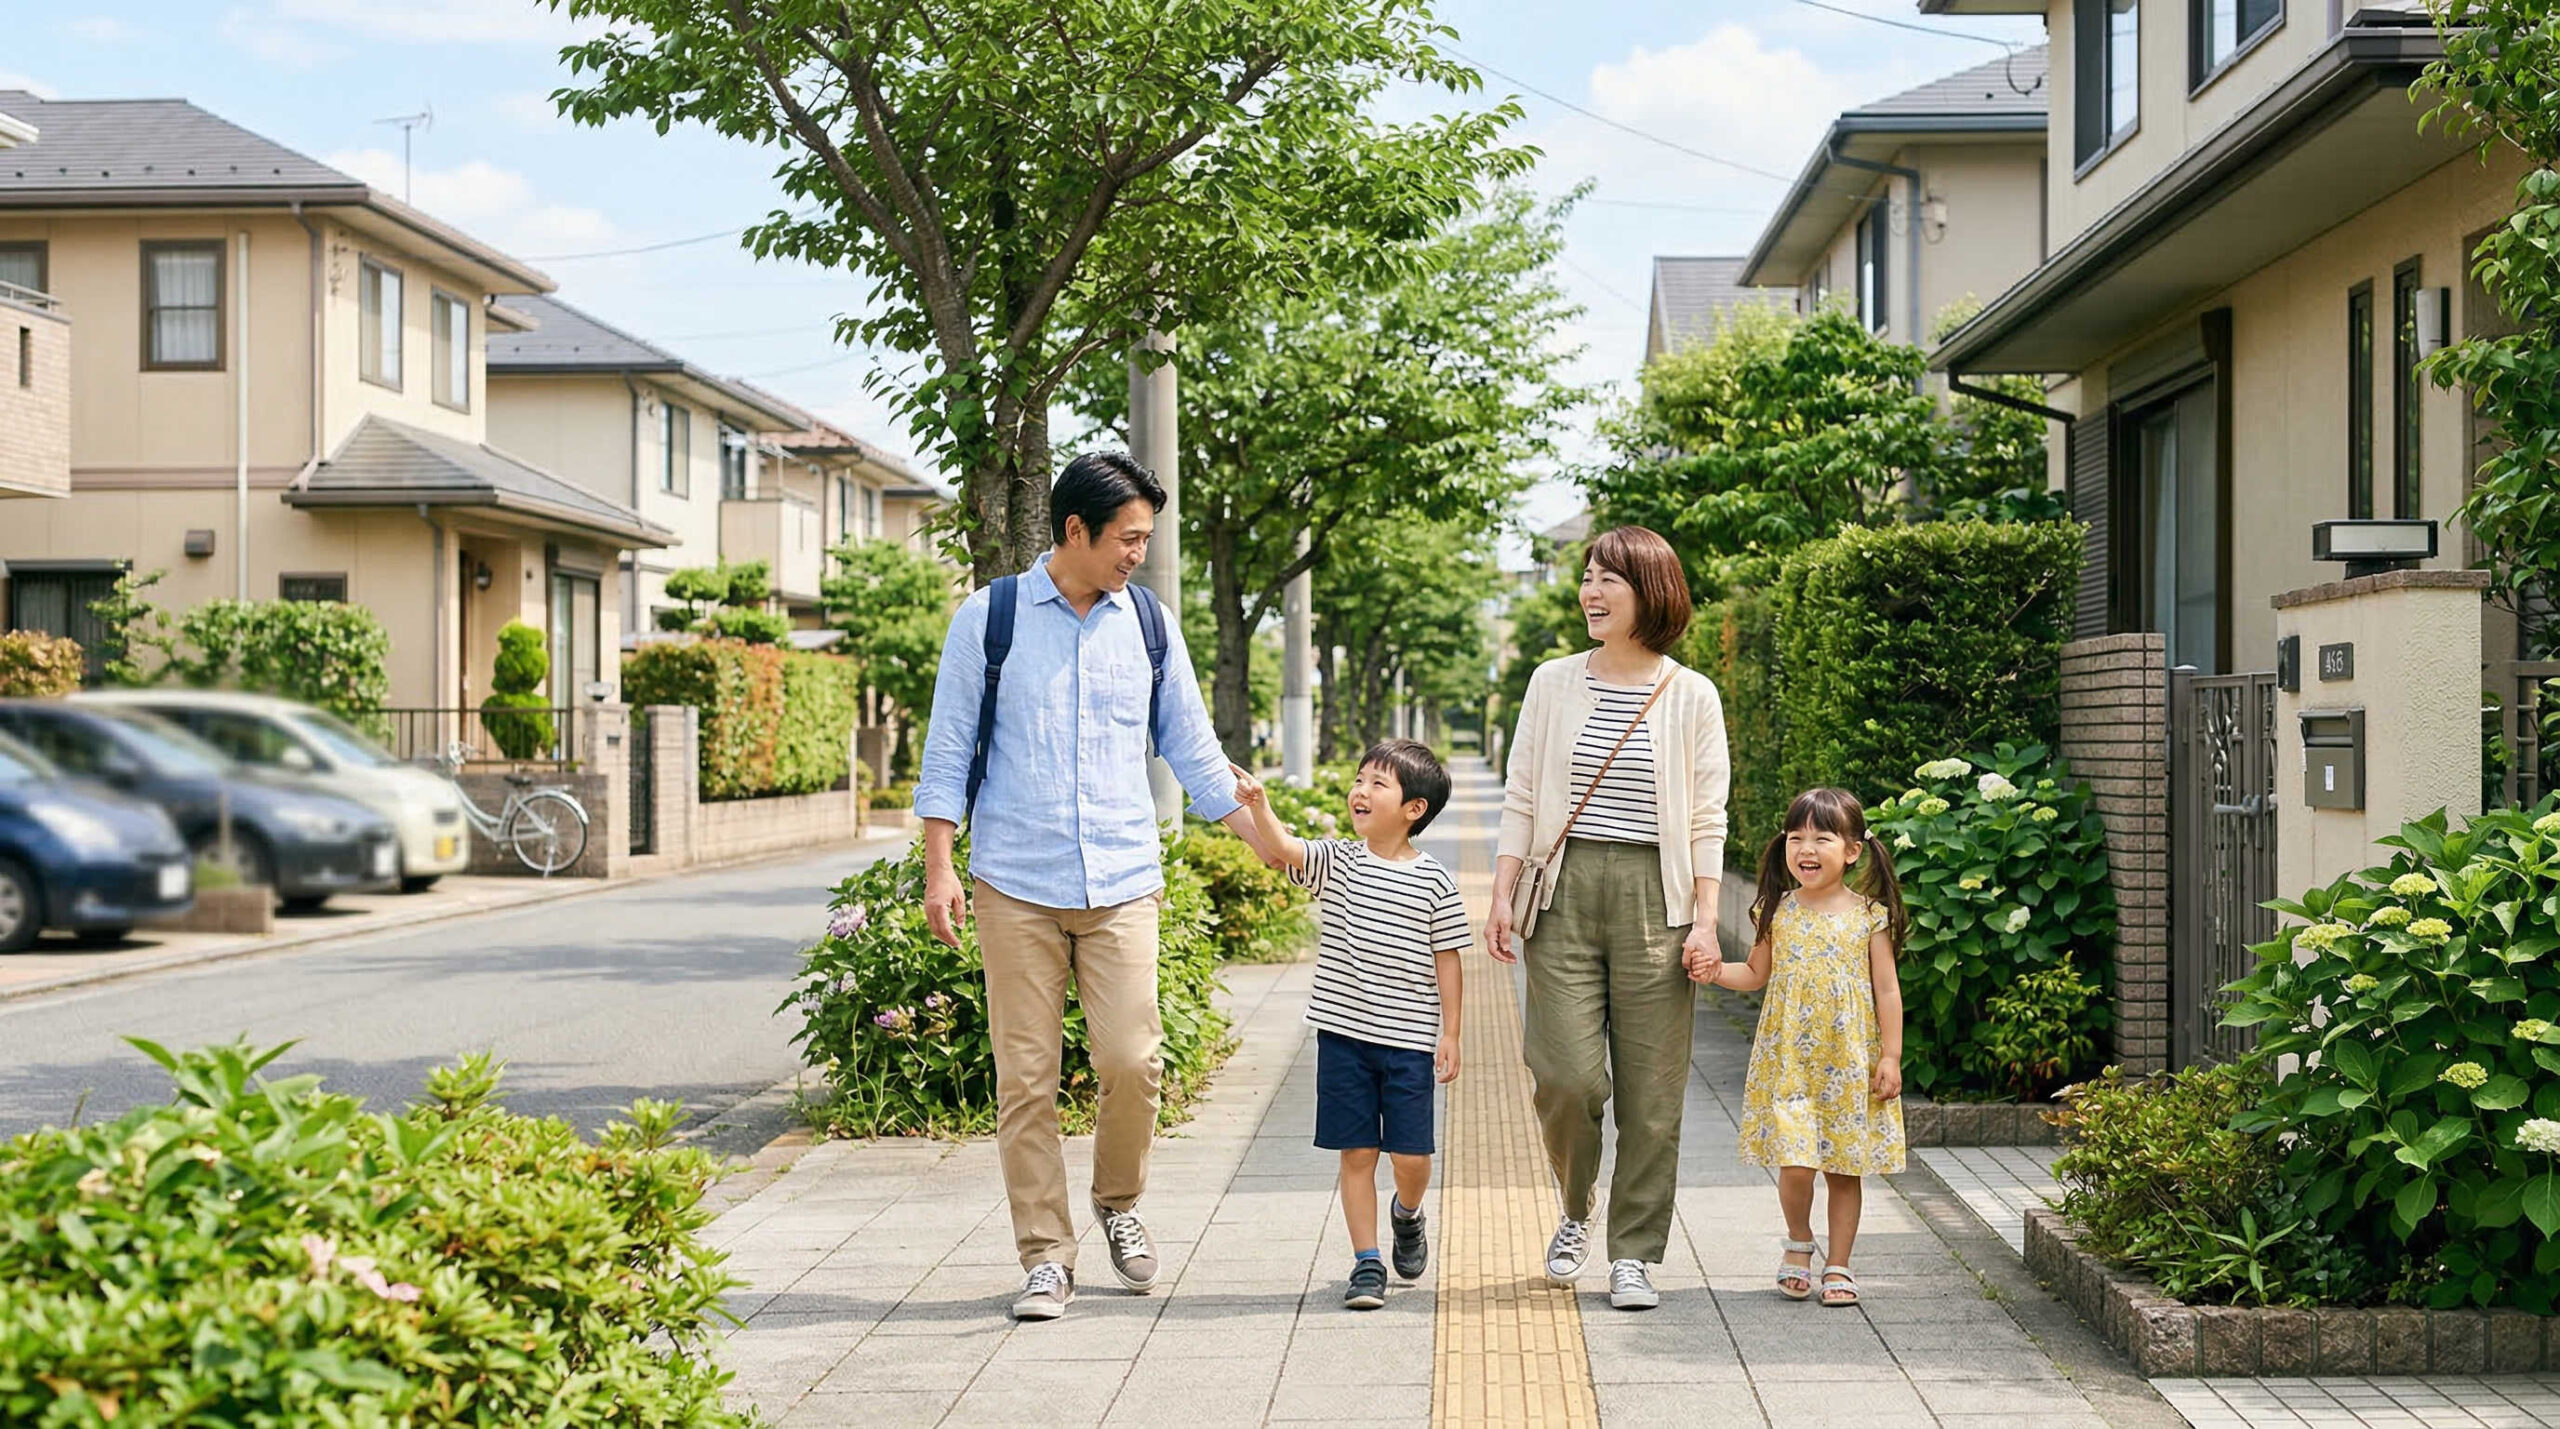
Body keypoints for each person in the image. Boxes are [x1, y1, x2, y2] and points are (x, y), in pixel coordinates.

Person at [914, 451, 1276, 1323]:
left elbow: (1191, 747)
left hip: (1120, 880)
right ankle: (1046, 1256)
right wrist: (938, 868)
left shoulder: (1146, 623)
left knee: (1132, 1060)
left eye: (1146, 538)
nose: (1137, 554)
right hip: (1016, 883)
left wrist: (1271, 843)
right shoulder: (989, 617)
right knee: (1027, 1077)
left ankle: (1118, 1201)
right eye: (1128, 537)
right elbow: (948, 746)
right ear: (1075, 530)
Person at [1486, 525, 1730, 1312]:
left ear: (1649, 591)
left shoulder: (1691, 694)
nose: (1590, 592)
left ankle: (1633, 1252)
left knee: (1653, 1095)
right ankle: (1575, 1205)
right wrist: (1500, 890)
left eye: (1608, 580)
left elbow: (1707, 818)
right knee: (1563, 1075)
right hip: (1562, 889)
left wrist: (1705, 920)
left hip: (1658, 901)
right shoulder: (1552, 681)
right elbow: (1522, 793)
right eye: (1587, 578)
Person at [1233, 741, 1468, 1310]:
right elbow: (1284, 848)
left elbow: (1449, 959)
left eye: (1377, 784)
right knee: (1357, 1154)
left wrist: (1452, 1033)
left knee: (1411, 1159)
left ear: (1414, 808)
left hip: (1410, 1043)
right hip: (1342, 1037)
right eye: (1359, 780)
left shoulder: (1435, 881)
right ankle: (1367, 1263)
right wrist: (1260, 806)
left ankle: (1406, 1214)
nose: (1359, 791)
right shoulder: (1338, 862)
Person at [1703, 787, 1909, 1308]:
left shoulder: (1870, 916)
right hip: (1791, 1060)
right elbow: (1754, 974)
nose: (1805, 849)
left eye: (1821, 837)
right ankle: (1799, 1240)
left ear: (1853, 850)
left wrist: (1890, 1055)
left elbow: (1886, 988)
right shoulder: (1777, 910)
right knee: (1795, 1162)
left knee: (1844, 1167)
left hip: (1849, 1063)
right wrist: (1712, 972)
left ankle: (1838, 1264)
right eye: (1796, 837)